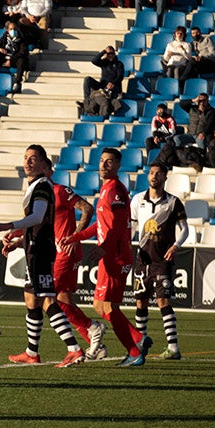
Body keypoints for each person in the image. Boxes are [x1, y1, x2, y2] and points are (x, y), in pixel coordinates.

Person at [0, 146, 86, 368]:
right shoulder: (35, 186)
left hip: (41, 251)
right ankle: (32, 352)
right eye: (25, 158)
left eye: (33, 159)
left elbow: (38, 217)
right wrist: (19, 241)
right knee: (32, 300)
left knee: (47, 299)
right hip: (35, 248)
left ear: (44, 165)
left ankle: (74, 348)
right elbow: (38, 224)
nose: (28, 162)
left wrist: (10, 225)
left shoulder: (42, 185)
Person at [61, 148, 152, 367]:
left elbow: (119, 225)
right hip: (112, 254)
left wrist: (105, 248)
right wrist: (77, 236)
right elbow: (100, 225)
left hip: (116, 256)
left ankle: (134, 350)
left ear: (119, 165)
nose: (104, 165)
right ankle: (138, 340)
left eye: (109, 162)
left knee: (105, 307)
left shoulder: (116, 191)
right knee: (102, 306)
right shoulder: (106, 190)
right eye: (102, 161)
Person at [46, 159, 108, 361]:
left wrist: (75, 236)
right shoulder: (38, 196)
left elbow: (87, 209)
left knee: (48, 297)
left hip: (66, 252)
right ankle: (95, 345)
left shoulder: (60, 191)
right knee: (64, 300)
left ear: (49, 170)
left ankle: (93, 327)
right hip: (57, 252)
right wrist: (16, 236)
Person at [130, 163, 188, 360]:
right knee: (140, 300)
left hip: (162, 259)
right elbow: (131, 227)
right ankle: (140, 343)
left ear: (165, 177)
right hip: (142, 258)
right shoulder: (138, 200)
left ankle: (173, 347)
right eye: (152, 173)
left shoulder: (172, 202)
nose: (154, 176)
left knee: (163, 300)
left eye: (159, 173)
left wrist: (176, 246)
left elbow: (185, 229)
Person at [82, 46, 124, 118]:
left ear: (114, 54)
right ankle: (87, 100)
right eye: (108, 54)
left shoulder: (119, 64)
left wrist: (112, 83)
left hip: (113, 87)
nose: (110, 55)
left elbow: (120, 77)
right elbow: (94, 61)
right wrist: (104, 51)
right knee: (87, 79)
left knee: (105, 99)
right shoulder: (104, 62)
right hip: (102, 86)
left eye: (112, 54)